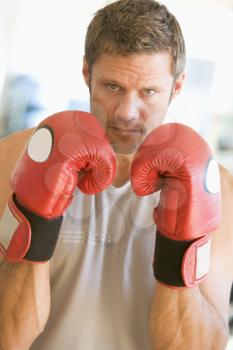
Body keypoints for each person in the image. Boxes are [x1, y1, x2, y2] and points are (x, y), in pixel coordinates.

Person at [0, 0, 233, 349]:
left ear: (178, 86)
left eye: (148, 91)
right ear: (86, 75)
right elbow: (7, 337)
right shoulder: (14, 157)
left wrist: (180, 246)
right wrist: (36, 220)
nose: (127, 112)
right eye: (112, 87)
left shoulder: (218, 188)